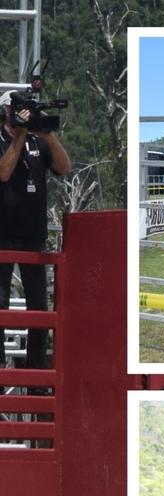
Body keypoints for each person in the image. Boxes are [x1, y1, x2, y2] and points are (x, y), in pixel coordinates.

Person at [0, 89, 70, 372]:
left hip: (33, 236)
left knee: (40, 309)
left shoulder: (37, 141)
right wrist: (18, 135)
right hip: (2, 236)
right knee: (1, 308)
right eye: (15, 109)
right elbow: (4, 173)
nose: (21, 114)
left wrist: (46, 132)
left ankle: (37, 373)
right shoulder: (5, 139)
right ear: (5, 111)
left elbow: (64, 168)